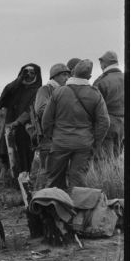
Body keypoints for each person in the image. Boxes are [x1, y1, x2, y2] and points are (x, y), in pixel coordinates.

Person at [42, 59, 109, 190]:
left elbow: (46, 120)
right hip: (84, 144)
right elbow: (104, 122)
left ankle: (54, 206)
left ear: (73, 73)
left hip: (60, 142)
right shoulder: (95, 94)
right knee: (78, 179)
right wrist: (95, 141)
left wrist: (52, 137)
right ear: (89, 77)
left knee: (54, 179)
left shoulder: (59, 92)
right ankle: (78, 208)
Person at [0, 63, 42, 184]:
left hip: (26, 125)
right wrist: (19, 79)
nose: (28, 75)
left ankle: (23, 179)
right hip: (10, 120)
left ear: (37, 75)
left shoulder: (38, 89)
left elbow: (32, 108)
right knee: (5, 149)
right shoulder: (16, 86)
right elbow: (4, 97)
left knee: (24, 151)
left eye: (32, 73)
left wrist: (19, 122)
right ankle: (2, 176)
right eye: (26, 72)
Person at [30, 63, 71, 189]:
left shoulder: (64, 90)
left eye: (68, 75)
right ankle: (38, 199)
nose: (67, 78)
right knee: (46, 170)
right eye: (64, 75)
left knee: (58, 172)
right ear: (55, 76)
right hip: (47, 138)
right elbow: (41, 110)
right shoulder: (45, 89)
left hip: (60, 137)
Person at [93, 50, 124, 157]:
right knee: (117, 157)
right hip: (124, 125)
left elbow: (94, 106)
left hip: (108, 124)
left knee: (104, 159)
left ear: (104, 63)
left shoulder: (101, 81)